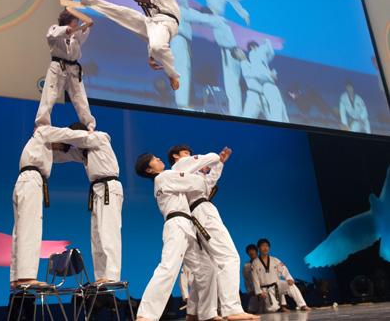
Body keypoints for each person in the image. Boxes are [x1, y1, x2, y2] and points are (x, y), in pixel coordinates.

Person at [168, 145, 259, 320]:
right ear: (176, 156)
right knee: (229, 257)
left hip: (202, 210)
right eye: (187, 153)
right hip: (202, 211)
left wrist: (219, 164)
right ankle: (232, 309)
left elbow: (209, 183)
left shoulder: (190, 174)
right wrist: (214, 159)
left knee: (208, 264)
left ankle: (193, 312)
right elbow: (205, 159)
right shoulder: (179, 166)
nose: (190, 156)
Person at [72, 0, 181, 91]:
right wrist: (151, 57)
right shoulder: (150, 11)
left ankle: (171, 74)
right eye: (139, 1)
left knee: (158, 47)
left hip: (168, 22)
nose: (142, 1)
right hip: (154, 24)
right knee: (123, 13)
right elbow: (153, 32)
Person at [135, 153, 220, 321]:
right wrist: (203, 173)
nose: (159, 159)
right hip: (177, 225)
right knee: (168, 267)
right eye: (154, 159)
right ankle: (146, 315)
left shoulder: (163, 179)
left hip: (185, 226)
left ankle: (205, 313)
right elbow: (195, 182)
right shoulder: (165, 176)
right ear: (149, 169)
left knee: (207, 269)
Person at [10, 125, 93, 288]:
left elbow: (71, 155)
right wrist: (86, 135)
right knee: (30, 228)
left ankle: (15, 277)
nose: (59, 148)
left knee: (20, 230)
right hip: (31, 180)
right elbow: (66, 133)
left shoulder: (45, 148)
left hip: (25, 182)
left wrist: (84, 149)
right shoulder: (44, 133)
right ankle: (26, 276)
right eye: (61, 145)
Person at [52, 122, 123, 282]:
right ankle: (100, 277)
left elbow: (99, 136)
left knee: (108, 232)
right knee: (97, 236)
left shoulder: (99, 139)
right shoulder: (83, 152)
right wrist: (48, 142)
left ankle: (111, 276)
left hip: (109, 188)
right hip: (97, 191)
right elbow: (60, 156)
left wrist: (58, 135)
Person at [35, 10, 96, 130]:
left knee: (81, 99)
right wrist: (65, 30)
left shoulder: (75, 36)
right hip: (58, 67)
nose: (75, 25)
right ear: (67, 22)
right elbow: (52, 34)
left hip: (73, 69)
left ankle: (90, 127)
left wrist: (87, 25)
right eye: (74, 22)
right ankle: (42, 125)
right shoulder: (55, 29)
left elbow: (83, 31)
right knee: (49, 97)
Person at [251, 239, 312, 313]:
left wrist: (288, 278)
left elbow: (283, 269)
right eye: (263, 246)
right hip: (266, 290)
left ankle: (302, 305)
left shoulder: (275, 260)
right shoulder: (255, 263)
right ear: (259, 249)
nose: (265, 248)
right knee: (272, 309)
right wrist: (259, 292)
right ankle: (274, 307)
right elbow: (255, 279)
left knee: (291, 285)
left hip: (277, 285)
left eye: (267, 246)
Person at [242, 244, 261, 314]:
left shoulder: (263, 262)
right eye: (249, 251)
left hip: (265, 289)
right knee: (251, 309)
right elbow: (246, 280)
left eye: (253, 250)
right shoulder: (246, 266)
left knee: (269, 309)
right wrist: (249, 291)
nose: (251, 252)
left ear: (256, 251)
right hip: (255, 291)